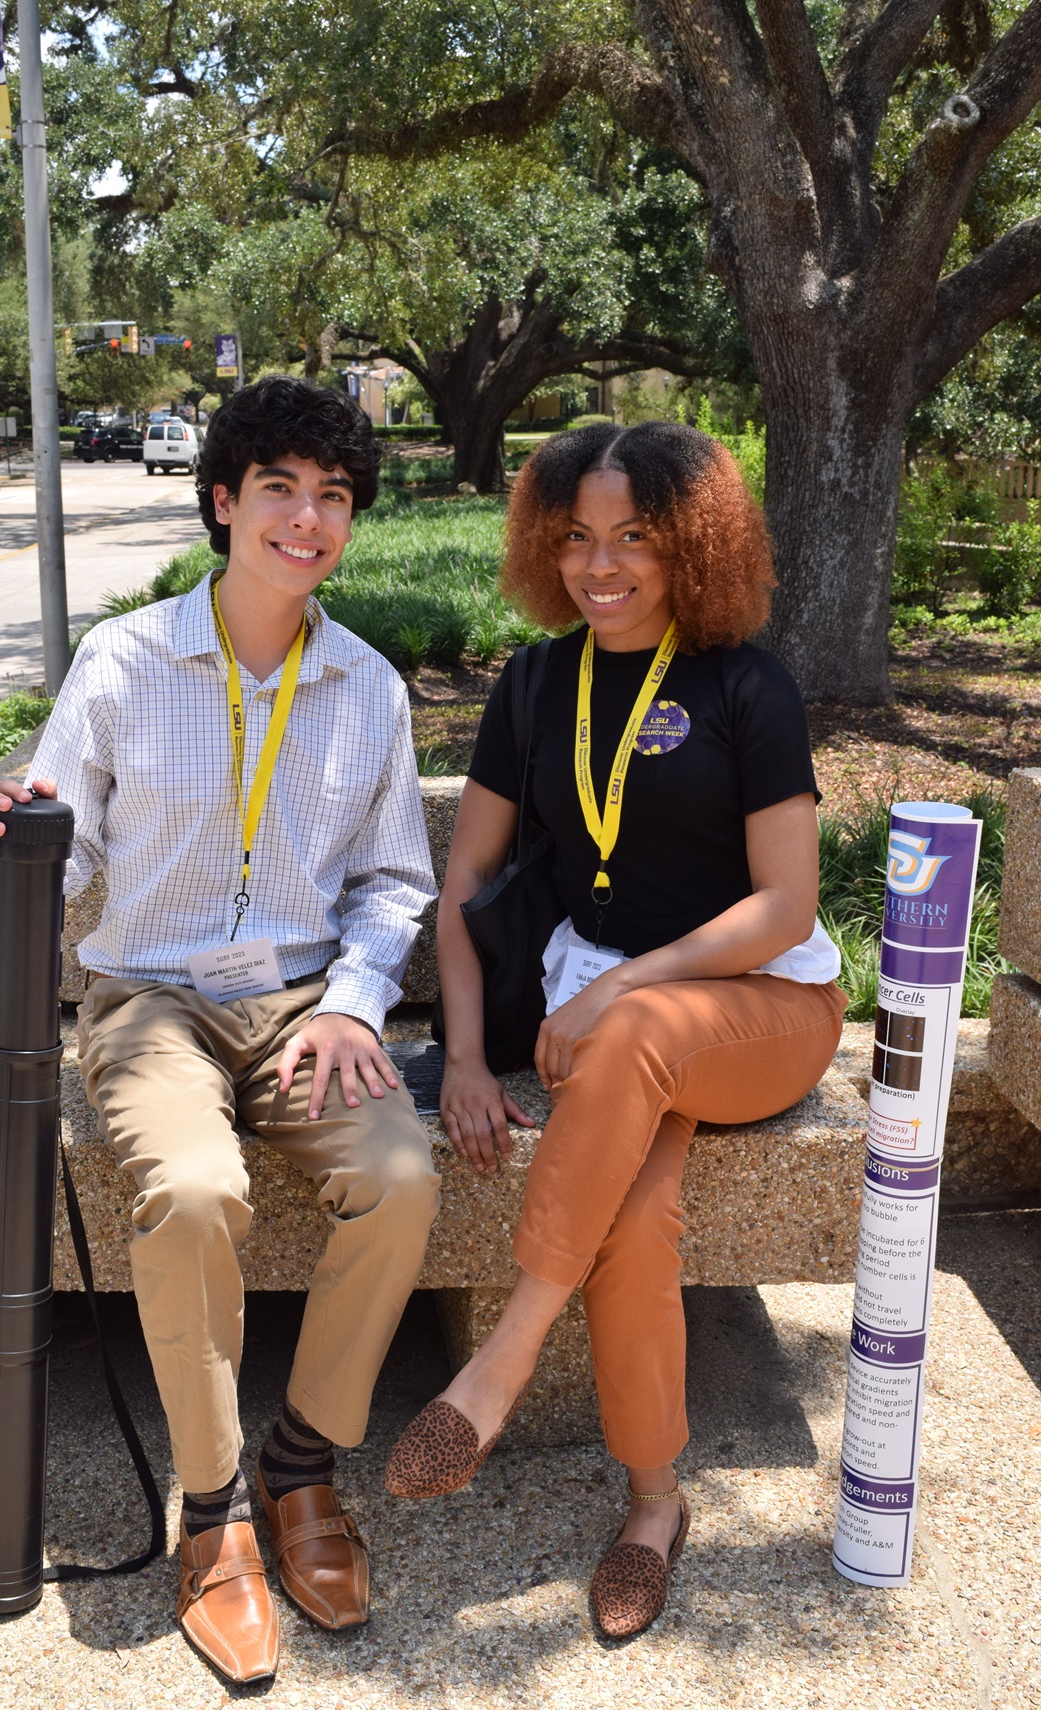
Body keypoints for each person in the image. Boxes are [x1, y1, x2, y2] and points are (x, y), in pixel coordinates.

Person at [0, 376, 441, 1684]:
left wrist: (352, 999)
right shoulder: (124, 660)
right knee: (188, 1188)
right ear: (223, 503)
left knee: (400, 1181)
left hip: (301, 1003)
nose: (309, 516)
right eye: (280, 488)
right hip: (154, 1000)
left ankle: (303, 1460)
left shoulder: (366, 687)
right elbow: (58, 848)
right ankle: (216, 1509)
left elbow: (396, 878)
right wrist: (18, 839)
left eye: (333, 495)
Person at [384, 421, 846, 1639]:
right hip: (613, 1038)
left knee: (635, 1032)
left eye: (634, 536)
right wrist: (470, 1057)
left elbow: (784, 904)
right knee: (634, 1215)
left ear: (689, 543)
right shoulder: (537, 683)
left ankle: (502, 1363)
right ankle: (655, 1507)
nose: (602, 564)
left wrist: (621, 985)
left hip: (765, 1009)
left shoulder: (749, 683)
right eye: (577, 536)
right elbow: (466, 888)